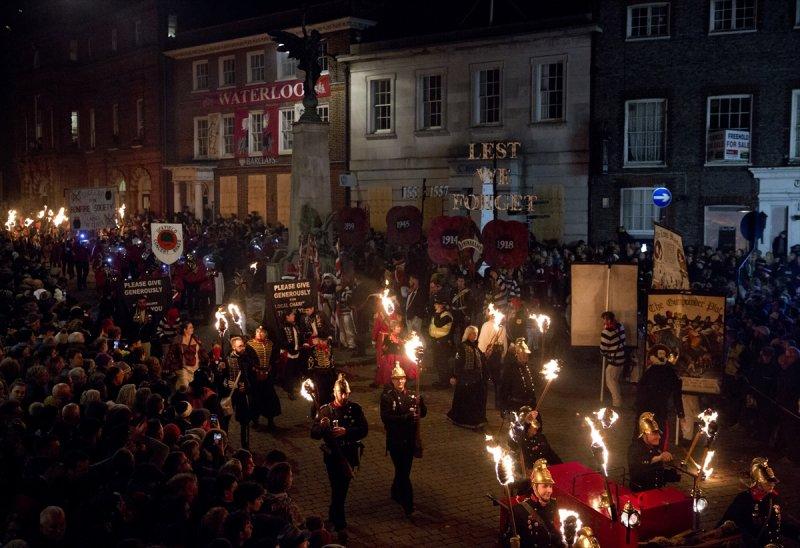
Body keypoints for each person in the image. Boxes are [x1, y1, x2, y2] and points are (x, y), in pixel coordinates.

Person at [310, 374, 368, 531]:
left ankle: (333, 517)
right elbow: (314, 434)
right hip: (332, 456)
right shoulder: (325, 410)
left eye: (347, 393)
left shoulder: (355, 409)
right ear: (334, 393)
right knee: (338, 488)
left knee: (341, 489)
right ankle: (340, 523)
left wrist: (346, 431)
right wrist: (321, 427)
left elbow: (364, 430)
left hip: (349, 454)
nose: (344, 396)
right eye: (341, 393)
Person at [718, 457, 800, 546]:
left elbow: (780, 524)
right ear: (759, 483)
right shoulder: (744, 499)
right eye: (768, 483)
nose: (772, 485)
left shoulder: (773, 498)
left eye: (772, 482)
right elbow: (736, 526)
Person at [380, 364, 427, 517]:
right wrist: (406, 417)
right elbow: (386, 418)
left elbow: (423, 414)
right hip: (395, 440)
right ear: (392, 381)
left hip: (409, 440)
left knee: (403, 470)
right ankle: (408, 504)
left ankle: (395, 491)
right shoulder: (387, 397)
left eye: (402, 379)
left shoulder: (412, 395)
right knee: (404, 473)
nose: (400, 382)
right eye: (397, 379)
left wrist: (422, 403)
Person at [634, 344, 683, 444]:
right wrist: (680, 413)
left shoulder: (649, 372)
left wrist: (637, 408)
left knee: (644, 436)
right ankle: (656, 455)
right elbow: (677, 393)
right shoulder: (670, 372)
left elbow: (640, 391)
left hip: (646, 410)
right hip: (659, 410)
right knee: (659, 436)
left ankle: (647, 455)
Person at [510, 458, 562, 547]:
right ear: (534, 487)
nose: (549, 490)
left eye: (550, 486)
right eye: (545, 486)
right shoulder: (519, 511)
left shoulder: (554, 505)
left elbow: (556, 536)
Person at [447, 325, 487, 429]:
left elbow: (480, 360)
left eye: (476, 334)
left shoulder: (476, 347)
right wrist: (454, 376)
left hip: (476, 378)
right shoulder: (462, 346)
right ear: (468, 334)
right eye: (473, 333)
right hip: (465, 378)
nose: (475, 335)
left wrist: (486, 355)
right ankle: (463, 420)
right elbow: (458, 362)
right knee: (465, 400)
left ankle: (475, 419)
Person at [627, 412, 680, 491]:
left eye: (658, 433)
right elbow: (642, 461)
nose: (659, 437)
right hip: (641, 492)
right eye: (654, 434)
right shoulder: (634, 448)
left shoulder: (655, 448)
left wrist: (676, 474)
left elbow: (657, 471)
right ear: (644, 435)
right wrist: (660, 457)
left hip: (656, 491)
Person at [508, 407, 562, 480]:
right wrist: (526, 423)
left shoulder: (541, 437)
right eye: (532, 426)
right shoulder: (519, 439)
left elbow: (550, 454)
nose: (535, 430)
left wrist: (561, 466)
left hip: (541, 475)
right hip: (524, 478)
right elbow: (517, 437)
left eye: (536, 426)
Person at [247, 325, 281, 430]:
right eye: (258, 332)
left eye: (262, 332)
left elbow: (274, 358)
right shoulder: (249, 345)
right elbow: (248, 360)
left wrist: (271, 369)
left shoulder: (270, 344)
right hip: (255, 377)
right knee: (256, 398)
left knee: (270, 398)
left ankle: (270, 421)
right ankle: (255, 421)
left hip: (268, 376)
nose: (260, 334)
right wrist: (254, 369)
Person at [226, 336, 256, 449]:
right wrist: (227, 383)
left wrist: (247, 386)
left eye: (243, 345)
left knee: (245, 421)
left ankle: (245, 446)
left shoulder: (247, 358)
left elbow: (251, 377)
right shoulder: (227, 359)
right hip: (230, 394)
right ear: (233, 347)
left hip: (243, 394)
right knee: (225, 420)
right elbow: (221, 378)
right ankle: (223, 443)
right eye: (240, 346)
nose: (243, 348)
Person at [478, 307, 508, 408]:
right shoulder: (502, 327)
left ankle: (482, 401)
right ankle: (498, 402)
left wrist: (481, 355)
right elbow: (504, 344)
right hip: (497, 355)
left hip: (486, 355)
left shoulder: (486, 325)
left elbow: (482, 342)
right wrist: (502, 355)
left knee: (484, 378)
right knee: (497, 379)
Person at [499, 339, 538, 416]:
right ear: (517, 354)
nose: (525, 356)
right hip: (515, 407)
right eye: (522, 354)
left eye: (526, 354)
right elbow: (504, 388)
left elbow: (531, 387)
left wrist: (534, 404)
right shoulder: (510, 369)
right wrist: (503, 407)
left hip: (529, 406)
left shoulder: (528, 368)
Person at [600, 311, 626, 407]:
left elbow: (603, 349)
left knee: (610, 382)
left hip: (614, 360)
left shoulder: (606, 332)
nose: (603, 322)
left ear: (608, 320)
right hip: (622, 357)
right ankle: (618, 401)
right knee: (615, 380)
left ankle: (617, 403)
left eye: (604, 320)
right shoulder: (621, 326)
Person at [428, 294, 454, 389]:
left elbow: (438, 324)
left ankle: (445, 383)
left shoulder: (447, 315)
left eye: (436, 304)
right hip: (437, 342)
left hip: (443, 343)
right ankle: (441, 381)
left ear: (441, 305)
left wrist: (437, 313)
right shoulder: (438, 314)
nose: (435, 306)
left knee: (443, 363)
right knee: (438, 362)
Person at [278, 309, 303, 400]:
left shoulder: (295, 326)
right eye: (292, 315)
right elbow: (281, 342)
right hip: (288, 354)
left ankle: (297, 388)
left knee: (296, 372)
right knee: (289, 374)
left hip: (297, 352)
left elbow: (298, 337)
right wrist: (288, 349)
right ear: (287, 317)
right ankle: (290, 391)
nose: (294, 316)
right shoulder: (282, 328)